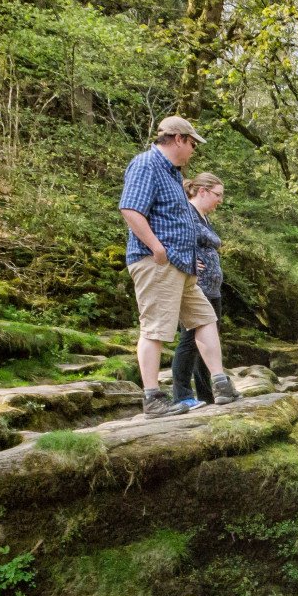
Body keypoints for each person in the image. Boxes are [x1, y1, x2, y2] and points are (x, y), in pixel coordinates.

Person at [118, 116, 239, 417]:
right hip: (156, 263)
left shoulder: (172, 173)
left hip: (181, 267)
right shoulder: (146, 164)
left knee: (205, 319)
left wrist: (188, 262)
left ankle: (220, 384)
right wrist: (157, 248)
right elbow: (130, 209)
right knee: (155, 329)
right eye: (193, 144)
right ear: (178, 139)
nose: (194, 151)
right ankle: (152, 398)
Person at [170, 172, 225, 407]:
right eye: (218, 195)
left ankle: (207, 394)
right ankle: (181, 395)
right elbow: (173, 238)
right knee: (190, 340)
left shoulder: (204, 217)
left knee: (208, 341)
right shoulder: (187, 213)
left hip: (212, 289)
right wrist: (188, 258)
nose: (220, 200)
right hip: (195, 287)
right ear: (202, 191)